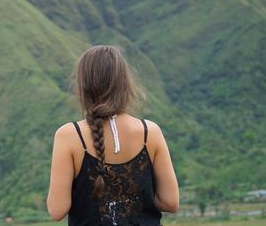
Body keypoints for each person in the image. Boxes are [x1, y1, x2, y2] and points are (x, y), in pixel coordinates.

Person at [46, 45, 179, 226]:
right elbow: (170, 202)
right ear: (124, 83)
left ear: (83, 86)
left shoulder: (69, 136)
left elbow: (57, 210)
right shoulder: (150, 132)